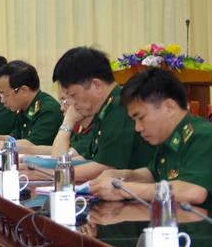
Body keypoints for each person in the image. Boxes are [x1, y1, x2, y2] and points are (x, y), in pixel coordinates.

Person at [88, 68, 212, 247]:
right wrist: (122, 175)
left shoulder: (202, 136)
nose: (137, 128)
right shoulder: (169, 136)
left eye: (140, 118)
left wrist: (122, 189)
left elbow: (193, 192)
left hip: (206, 239)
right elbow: (152, 173)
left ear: (169, 107)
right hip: (173, 225)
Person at [40, 47, 154, 181]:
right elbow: (88, 159)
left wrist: (47, 174)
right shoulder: (104, 110)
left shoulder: (120, 106)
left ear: (96, 85)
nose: (71, 103)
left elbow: (105, 167)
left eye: (73, 95)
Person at [0, 60, 62, 148]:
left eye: (4, 94)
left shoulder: (48, 110)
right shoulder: (25, 108)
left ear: (23, 90)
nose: (2, 100)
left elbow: (32, 145)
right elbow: (13, 139)